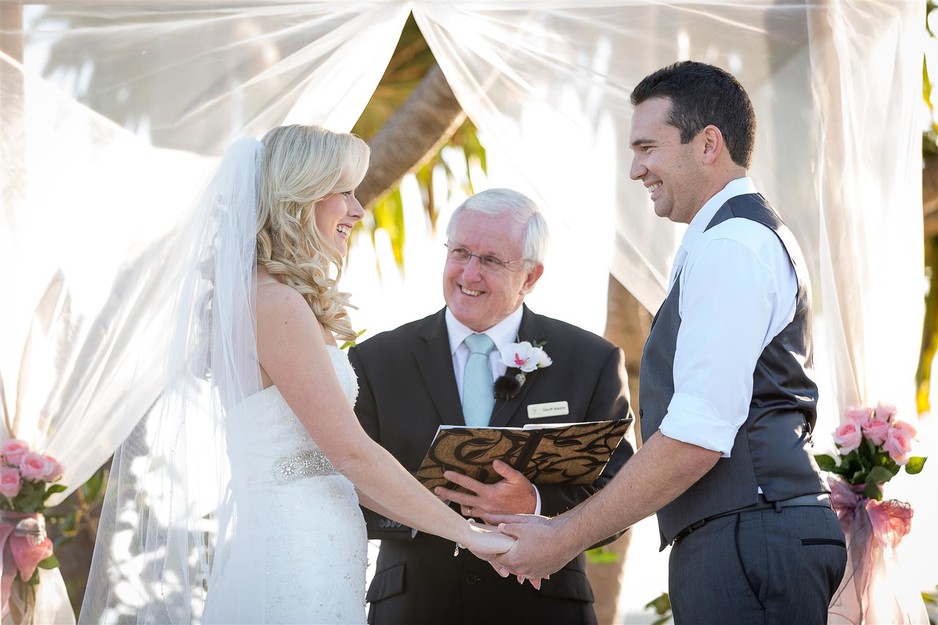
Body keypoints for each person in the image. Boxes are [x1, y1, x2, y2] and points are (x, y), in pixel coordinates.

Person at [84, 125, 512, 625]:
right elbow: (350, 451)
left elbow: (337, 467)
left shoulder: (267, 298)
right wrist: (471, 537)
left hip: (315, 547)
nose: (358, 209)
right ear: (300, 197)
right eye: (344, 192)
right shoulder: (274, 303)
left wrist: (466, 519)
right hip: (297, 552)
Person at [488, 62, 848, 625]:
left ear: (708, 144)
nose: (636, 170)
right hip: (747, 534)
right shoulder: (732, 238)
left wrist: (562, 535)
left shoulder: (733, 246)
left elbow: (696, 437)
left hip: (747, 539)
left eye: (647, 147)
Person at [348, 188, 635, 625]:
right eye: (460, 252)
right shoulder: (376, 360)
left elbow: (621, 489)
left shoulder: (590, 360)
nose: (469, 273)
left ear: (531, 276)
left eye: (491, 260)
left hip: (544, 609)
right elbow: (349, 485)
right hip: (413, 607)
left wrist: (537, 504)